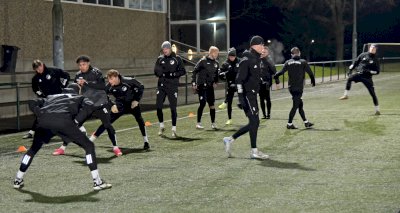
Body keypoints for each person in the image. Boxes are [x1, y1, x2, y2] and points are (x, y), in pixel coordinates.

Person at [13, 86, 112, 191]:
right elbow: (90, 106)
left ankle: (18, 179)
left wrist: (40, 113)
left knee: (33, 149)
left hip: (43, 122)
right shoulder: (79, 97)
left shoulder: (51, 97)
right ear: (76, 91)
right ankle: (97, 182)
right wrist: (76, 122)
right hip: (64, 121)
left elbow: (32, 102)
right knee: (89, 146)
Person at [52, 55, 121, 156]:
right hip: (87, 104)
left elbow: (102, 87)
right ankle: (62, 148)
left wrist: (86, 83)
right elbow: (77, 89)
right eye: (80, 65)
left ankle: (115, 147)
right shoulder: (78, 75)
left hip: (100, 104)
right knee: (74, 125)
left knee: (107, 125)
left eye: (83, 64)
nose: (82, 67)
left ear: (88, 63)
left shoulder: (96, 72)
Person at [223, 36, 269, 160]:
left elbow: (255, 74)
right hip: (247, 95)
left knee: (255, 122)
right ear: (254, 45)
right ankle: (253, 151)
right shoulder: (247, 59)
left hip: (253, 95)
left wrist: (261, 82)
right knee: (255, 122)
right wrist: (241, 99)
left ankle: (230, 139)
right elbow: (239, 80)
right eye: (261, 45)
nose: (263, 47)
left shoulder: (255, 58)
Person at [92, 69, 150, 150]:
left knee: (140, 120)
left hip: (132, 105)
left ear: (116, 77)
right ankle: (91, 140)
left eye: (111, 79)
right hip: (120, 106)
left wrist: (136, 100)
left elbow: (141, 87)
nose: (109, 81)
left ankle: (146, 141)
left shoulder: (129, 81)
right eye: (108, 79)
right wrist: (112, 105)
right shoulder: (109, 86)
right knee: (107, 121)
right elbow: (103, 95)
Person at [23, 59, 70, 139]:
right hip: (47, 99)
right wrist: (41, 95)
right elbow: (35, 88)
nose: (39, 70)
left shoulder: (53, 71)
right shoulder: (35, 78)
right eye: (36, 69)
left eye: (39, 68)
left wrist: (63, 85)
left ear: (42, 65)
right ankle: (31, 133)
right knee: (41, 114)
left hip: (58, 97)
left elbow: (66, 75)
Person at [274, 47, 316, 129]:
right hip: (299, 88)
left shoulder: (288, 62)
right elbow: (310, 73)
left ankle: (306, 122)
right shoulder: (303, 62)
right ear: (299, 53)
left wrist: (276, 76)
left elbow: (281, 72)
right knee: (295, 106)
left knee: (300, 104)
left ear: (291, 54)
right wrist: (313, 81)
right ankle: (289, 124)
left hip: (291, 88)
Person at [154, 41, 186, 137]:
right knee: (158, 106)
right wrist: (159, 73)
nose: (165, 51)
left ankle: (174, 128)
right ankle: (161, 126)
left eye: (166, 49)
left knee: (173, 108)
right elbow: (155, 71)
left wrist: (173, 74)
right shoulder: (160, 59)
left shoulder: (177, 59)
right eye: (163, 49)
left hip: (172, 86)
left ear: (170, 49)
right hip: (162, 86)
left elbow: (183, 71)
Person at [339, 44, 381, 115]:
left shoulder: (375, 59)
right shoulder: (362, 55)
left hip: (367, 78)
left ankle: (377, 110)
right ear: (369, 48)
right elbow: (355, 63)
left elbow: (377, 71)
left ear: (376, 50)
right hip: (359, 74)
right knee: (350, 78)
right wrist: (350, 70)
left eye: (374, 48)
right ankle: (345, 95)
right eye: (371, 47)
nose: (372, 49)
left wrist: (369, 71)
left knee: (373, 94)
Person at [191, 46, 220, 129]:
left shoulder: (216, 63)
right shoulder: (203, 61)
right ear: (211, 52)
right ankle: (198, 123)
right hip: (202, 86)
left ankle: (213, 123)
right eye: (216, 53)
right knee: (203, 103)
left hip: (210, 87)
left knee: (212, 105)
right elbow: (194, 71)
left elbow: (216, 75)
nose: (217, 55)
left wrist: (216, 82)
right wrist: (193, 82)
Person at [218, 47, 240, 125]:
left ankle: (240, 103)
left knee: (242, 97)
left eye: (233, 56)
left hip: (239, 83)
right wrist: (221, 74)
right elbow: (220, 72)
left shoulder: (239, 62)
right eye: (230, 56)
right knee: (229, 101)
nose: (232, 58)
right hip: (230, 83)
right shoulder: (225, 63)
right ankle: (229, 119)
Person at [259, 46, 280, 119]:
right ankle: (264, 114)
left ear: (267, 53)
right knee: (261, 98)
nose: (262, 53)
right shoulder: (259, 60)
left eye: (264, 52)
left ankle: (268, 114)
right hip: (259, 82)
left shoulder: (269, 60)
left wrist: (277, 82)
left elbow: (275, 72)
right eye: (262, 52)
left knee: (267, 97)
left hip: (267, 82)